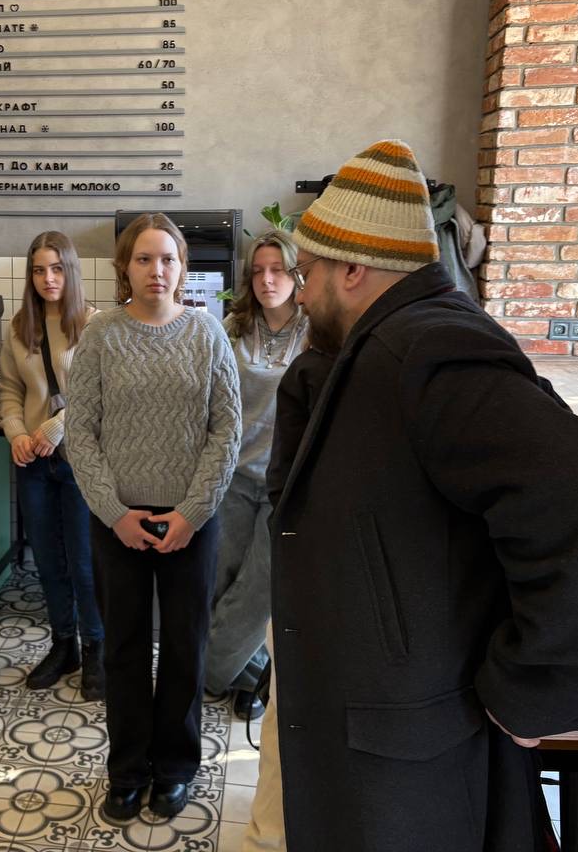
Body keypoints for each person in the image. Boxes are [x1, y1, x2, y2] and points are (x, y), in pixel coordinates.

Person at [269, 140, 578, 851]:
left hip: (413, 770)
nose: (301, 292)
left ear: (353, 268)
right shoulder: (382, 347)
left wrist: (536, 688)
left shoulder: (430, 351)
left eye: (307, 272)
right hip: (388, 744)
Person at [65, 213, 241, 823]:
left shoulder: (207, 333)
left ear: (183, 268)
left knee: (186, 646)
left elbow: (226, 430)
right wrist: (115, 513)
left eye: (168, 258)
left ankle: (175, 768)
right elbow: (80, 433)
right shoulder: (101, 334)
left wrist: (192, 512)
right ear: (125, 268)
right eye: (144, 258)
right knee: (125, 648)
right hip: (118, 521)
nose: (156, 270)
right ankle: (128, 770)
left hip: (192, 520)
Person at [204, 230, 308, 722]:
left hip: (287, 481)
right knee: (219, 577)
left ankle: (207, 672)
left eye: (278, 270)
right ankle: (253, 674)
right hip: (233, 474)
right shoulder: (234, 326)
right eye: (259, 271)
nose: (267, 280)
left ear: (296, 274)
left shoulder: (317, 331)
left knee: (260, 586)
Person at [0, 231, 104, 698]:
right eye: (39, 270)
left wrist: (59, 425)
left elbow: (103, 392)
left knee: (84, 561)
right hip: (33, 463)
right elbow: (9, 390)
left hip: (80, 462)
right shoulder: (21, 326)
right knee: (47, 560)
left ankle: (96, 646)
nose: (48, 278)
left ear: (71, 271)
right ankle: (64, 645)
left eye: (57, 268)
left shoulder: (95, 324)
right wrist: (16, 432)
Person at [242, 345, 335, 852]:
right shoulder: (311, 366)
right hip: (256, 488)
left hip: (330, 570)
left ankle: (223, 671)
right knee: (286, 719)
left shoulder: (374, 359)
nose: (302, 303)